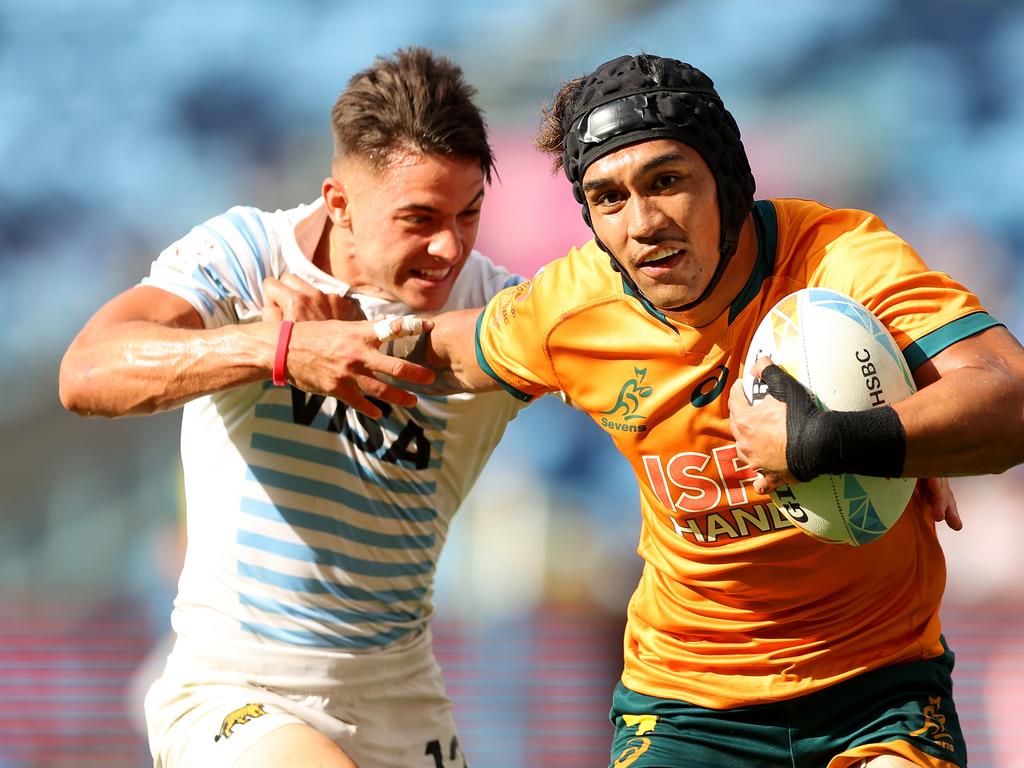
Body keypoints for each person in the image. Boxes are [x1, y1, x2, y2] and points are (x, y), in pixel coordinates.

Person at [413, 53, 1024, 768]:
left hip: (878, 689)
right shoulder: (573, 307)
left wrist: (836, 440)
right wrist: (287, 346)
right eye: (608, 198)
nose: (642, 222)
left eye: (667, 181)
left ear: (728, 180)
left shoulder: (843, 261)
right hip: (686, 710)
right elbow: (435, 351)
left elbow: (1010, 400)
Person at [59, 47, 528, 768]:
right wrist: (277, 349)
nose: (450, 247)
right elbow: (87, 371)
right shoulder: (250, 255)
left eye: (469, 214)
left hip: (400, 693)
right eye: (419, 218)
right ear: (338, 202)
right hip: (235, 689)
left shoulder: (500, 307)